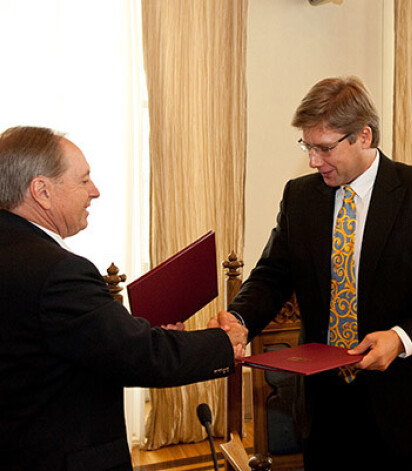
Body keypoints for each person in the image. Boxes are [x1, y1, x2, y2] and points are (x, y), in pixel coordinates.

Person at [218, 76, 412, 470]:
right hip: (323, 403)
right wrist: (239, 319)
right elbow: (272, 275)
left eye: (324, 148)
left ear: (364, 136)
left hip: (402, 399)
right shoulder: (300, 196)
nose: (313, 160)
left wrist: (401, 338)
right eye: (307, 146)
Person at [0, 126, 248, 471]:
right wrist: (223, 343)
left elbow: (74, 342)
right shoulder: (57, 271)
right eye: (83, 180)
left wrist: (141, 333)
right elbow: (137, 355)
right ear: (41, 191)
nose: (95, 191)